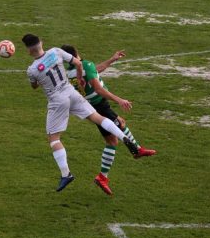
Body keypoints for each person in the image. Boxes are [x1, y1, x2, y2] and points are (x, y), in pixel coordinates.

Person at [23, 34, 140, 192]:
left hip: (57, 100)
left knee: (54, 138)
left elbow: (34, 86)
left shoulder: (32, 70)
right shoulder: (56, 52)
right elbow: (78, 63)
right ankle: (125, 137)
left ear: (28, 51)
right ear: (41, 43)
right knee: (97, 117)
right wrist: (79, 79)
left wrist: (37, 78)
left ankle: (66, 174)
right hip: (71, 92)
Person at [61, 45, 157, 196]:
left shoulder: (70, 72)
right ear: (76, 52)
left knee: (113, 137)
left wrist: (111, 60)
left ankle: (107, 173)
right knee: (119, 128)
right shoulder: (86, 65)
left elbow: (95, 70)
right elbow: (98, 89)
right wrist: (119, 100)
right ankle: (134, 152)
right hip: (100, 105)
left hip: (91, 107)